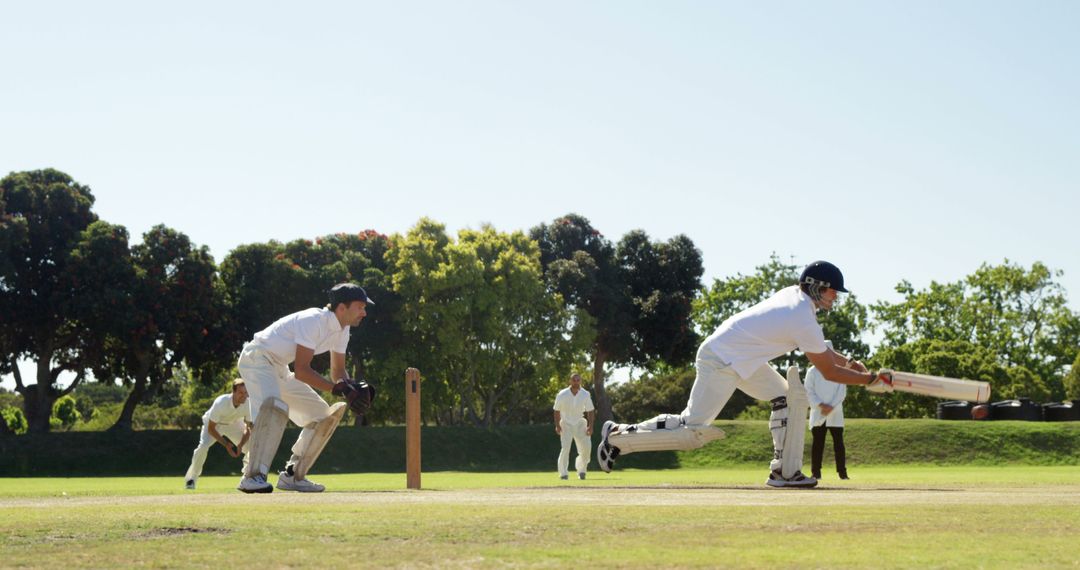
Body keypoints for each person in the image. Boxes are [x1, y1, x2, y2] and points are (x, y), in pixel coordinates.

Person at [596, 261, 892, 488]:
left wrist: (853, 364)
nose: (835, 298)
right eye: (832, 292)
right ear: (816, 287)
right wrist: (868, 380)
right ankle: (618, 437)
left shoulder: (795, 298)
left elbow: (824, 354)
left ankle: (783, 472)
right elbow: (827, 369)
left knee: (787, 398)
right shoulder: (801, 317)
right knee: (692, 430)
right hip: (722, 359)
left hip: (741, 358)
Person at [235, 283, 376, 494]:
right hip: (258, 358)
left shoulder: (342, 330)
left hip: (279, 367)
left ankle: (293, 475)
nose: (364, 312)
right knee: (273, 408)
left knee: (322, 415)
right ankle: (252, 476)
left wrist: (351, 388)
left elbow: (338, 372)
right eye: (360, 307)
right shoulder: (313, 321)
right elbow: (301, 371)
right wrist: (336, 389)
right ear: (341, 308)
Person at [184, 379, 252, 489]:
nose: (243, 396)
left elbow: (248, 429)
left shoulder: (248, 403)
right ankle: (191, 479)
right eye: (240, 393)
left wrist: (240, 444)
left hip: (234, 423)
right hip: (215, 425)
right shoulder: (221, 402)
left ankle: (248, 477)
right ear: (233, 392)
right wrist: (226, 444)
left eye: (245, 393)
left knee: (252, 446)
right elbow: (211, 428)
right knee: (203, 446)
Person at [805, 340, 849, 480]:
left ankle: (842, 473)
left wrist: (832, 406)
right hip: (819, 412)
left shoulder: (839, 370)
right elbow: (808, 391)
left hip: (835, 413)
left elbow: (842, 391)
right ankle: (815, 473)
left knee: (839, 444)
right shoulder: (811, 372)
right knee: (817, 444)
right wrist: (821, 405)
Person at [552, 373, 596, 480]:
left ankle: (582, 471)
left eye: (578, 380)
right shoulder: (562, 394)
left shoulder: (585, 394)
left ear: (580, 381)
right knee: (565, 448)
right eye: (574, 380)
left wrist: (590, 426)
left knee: (586, 448)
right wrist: (557, 425)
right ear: (570, 381)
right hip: (566, 423)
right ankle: (563, 474)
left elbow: (590, 410)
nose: (576, 382)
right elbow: (556, 410)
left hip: (580, 423)